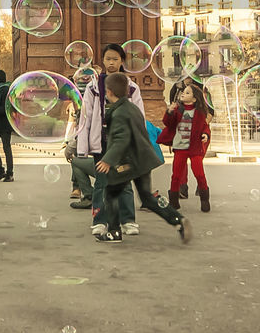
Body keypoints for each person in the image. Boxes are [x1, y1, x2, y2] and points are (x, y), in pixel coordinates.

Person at [71, 73, 187, 244]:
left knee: (111, 193)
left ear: (109, 93)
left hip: (129, 161)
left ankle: (114, 232)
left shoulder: (119, 113)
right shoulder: (131, 107)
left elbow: (121, 139)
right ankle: (178, 220)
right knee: (147, 198)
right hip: (142, 160)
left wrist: (108, 159)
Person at [68, 44, 143, 236]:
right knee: (101, 183)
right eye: (108, 59)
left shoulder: (132, 88)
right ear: (102, 61)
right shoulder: (94, 87)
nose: (111, 63)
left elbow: (138, 116)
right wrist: (82, 147)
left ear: (122, 62)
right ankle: (99, 220)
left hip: (123, 144)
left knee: (124, 182)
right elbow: (86, 117)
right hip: (101, 143)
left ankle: (128, 221)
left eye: (115, 59)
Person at [160, 79, 214, 212]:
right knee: (176, 175)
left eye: (187, 92)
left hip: (194, 149)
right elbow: (168, 123)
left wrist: (205, 135)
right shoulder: (178, 110)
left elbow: (205, 127)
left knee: (199, 174)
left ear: (194, 99)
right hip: (180, 148)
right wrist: (169, 112)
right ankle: (173, 201)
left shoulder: (200, 113)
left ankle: (204, 199)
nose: (183, 94)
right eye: (183, 92)